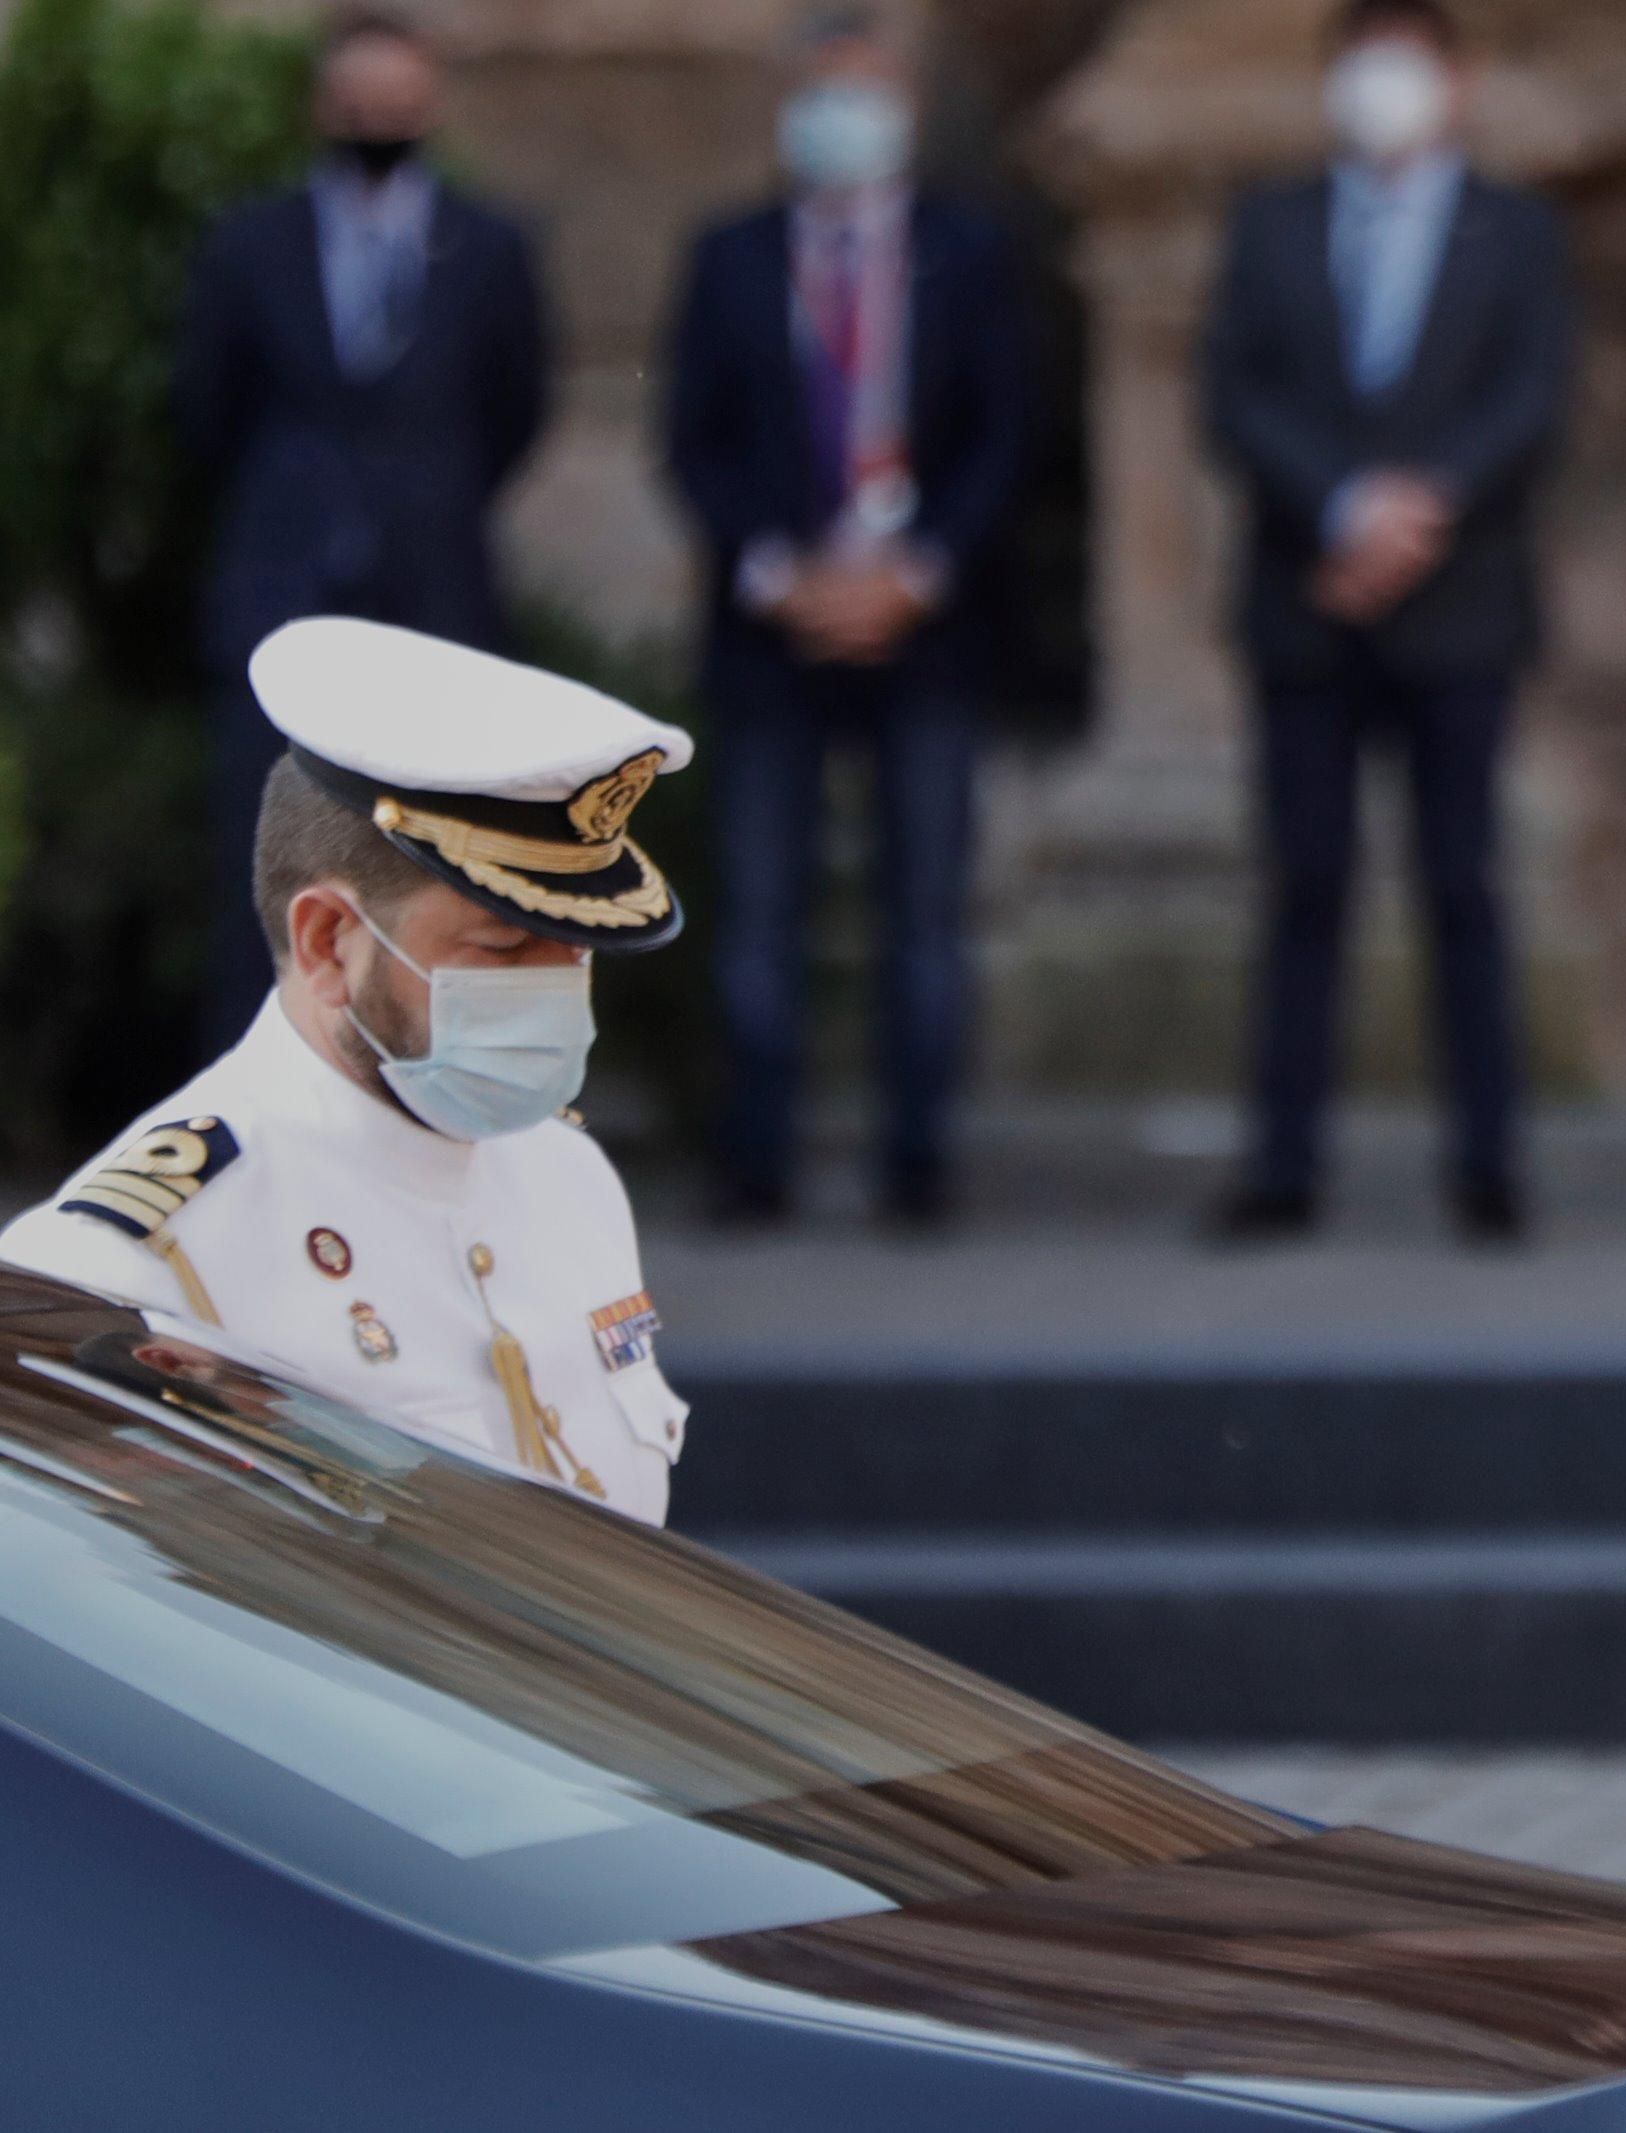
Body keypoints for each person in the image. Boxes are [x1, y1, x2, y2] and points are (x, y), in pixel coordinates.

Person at [0, 618, 699, 1528]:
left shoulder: (568, 1176)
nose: (556, 990)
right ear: (328, 941)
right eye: (503, 947)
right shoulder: (133, 1266)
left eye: (576, 951)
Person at [1199, 0, 1575, 1245]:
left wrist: (1424, 510)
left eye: (1408, 66)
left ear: (1457, 83)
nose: (1384, 89)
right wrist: (1344, 508)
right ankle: (1281, 1164)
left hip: (1457, 607)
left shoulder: (1514, 230)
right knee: (1305, 885)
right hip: (1307, 604)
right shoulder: (1271, 221)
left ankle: (1485, 1164)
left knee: (1461, 884)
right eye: (1363, 66)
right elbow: (1233, 394)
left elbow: (1532, 395)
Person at [663, 7, 1036, 1228]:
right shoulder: (727, 255)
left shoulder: (969, 255)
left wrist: (915, 573)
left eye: (866, 95)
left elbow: (1004, 433)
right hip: (771, 630)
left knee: (923, 914)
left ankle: (917, 1161)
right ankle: (756, 1160)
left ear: (910, 114)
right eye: (822, 93)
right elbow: (692, 440)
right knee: (760, 916)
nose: (843, 120)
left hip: (924, 630)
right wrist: (782, 574)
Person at [174, 8, 553, 1052]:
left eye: (397, 99)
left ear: (428, 105)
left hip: (435, 602)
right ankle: (250, 1097)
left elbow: (513, 410)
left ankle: (419, 1081)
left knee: (435, 873)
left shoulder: (488, 244)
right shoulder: (251, 241)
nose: (377, 117)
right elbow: (209, 409)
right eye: (358, 99)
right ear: (320, 108)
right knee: (262, 863)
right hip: (281, 596)